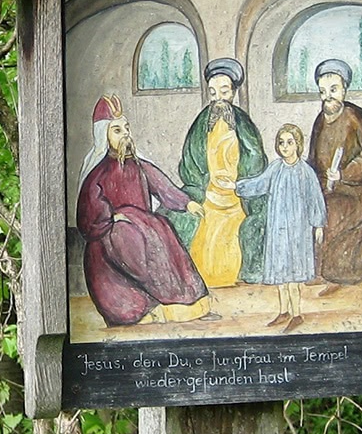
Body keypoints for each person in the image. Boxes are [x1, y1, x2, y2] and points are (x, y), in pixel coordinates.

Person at [76, 94, 212, 327]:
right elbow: (89, 214)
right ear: (105, 136)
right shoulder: (98, 173)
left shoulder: (138, 165)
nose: (126, 134)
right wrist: (114, 217)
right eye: (117, 130)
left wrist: (186, 203)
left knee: (161, 229)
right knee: (131, 236)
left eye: (126, 128)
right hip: (110, 248)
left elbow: (160, 184)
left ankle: (181, 297)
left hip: (146, 231)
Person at [178, 57, 267, 287]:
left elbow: (256, 156)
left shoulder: (243, 122)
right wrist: (202, 184)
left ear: (234, 92)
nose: (218, 99)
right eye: (213, 93)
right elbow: (188, 159)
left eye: (224, 92)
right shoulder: (200, 123)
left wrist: (240, 183)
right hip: (207, 194)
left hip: (237, 196)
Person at [232, 124, 326, 330]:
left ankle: (297, 314)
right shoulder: (275, 168)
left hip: (297, 230)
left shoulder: (305, 172)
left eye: (290, 142)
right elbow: (259, 183)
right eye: (281, 142)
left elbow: (315, 199)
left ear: (298, 145)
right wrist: (237, 186)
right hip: (278, 228)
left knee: (293, 276)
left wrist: (318, 224)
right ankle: (284, 311)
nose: (285, 147)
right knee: (281, 276)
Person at [307, 59, 362, 291]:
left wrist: (342, 174)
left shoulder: (356, 118)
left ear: (344, 89)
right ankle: (317, 271)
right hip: (325, 189)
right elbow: (313, 158)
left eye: (333, 90)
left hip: (352, 190)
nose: (327, 97)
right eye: (323, 91)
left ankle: (341, 274)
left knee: (335, 216)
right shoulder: (320, 119)